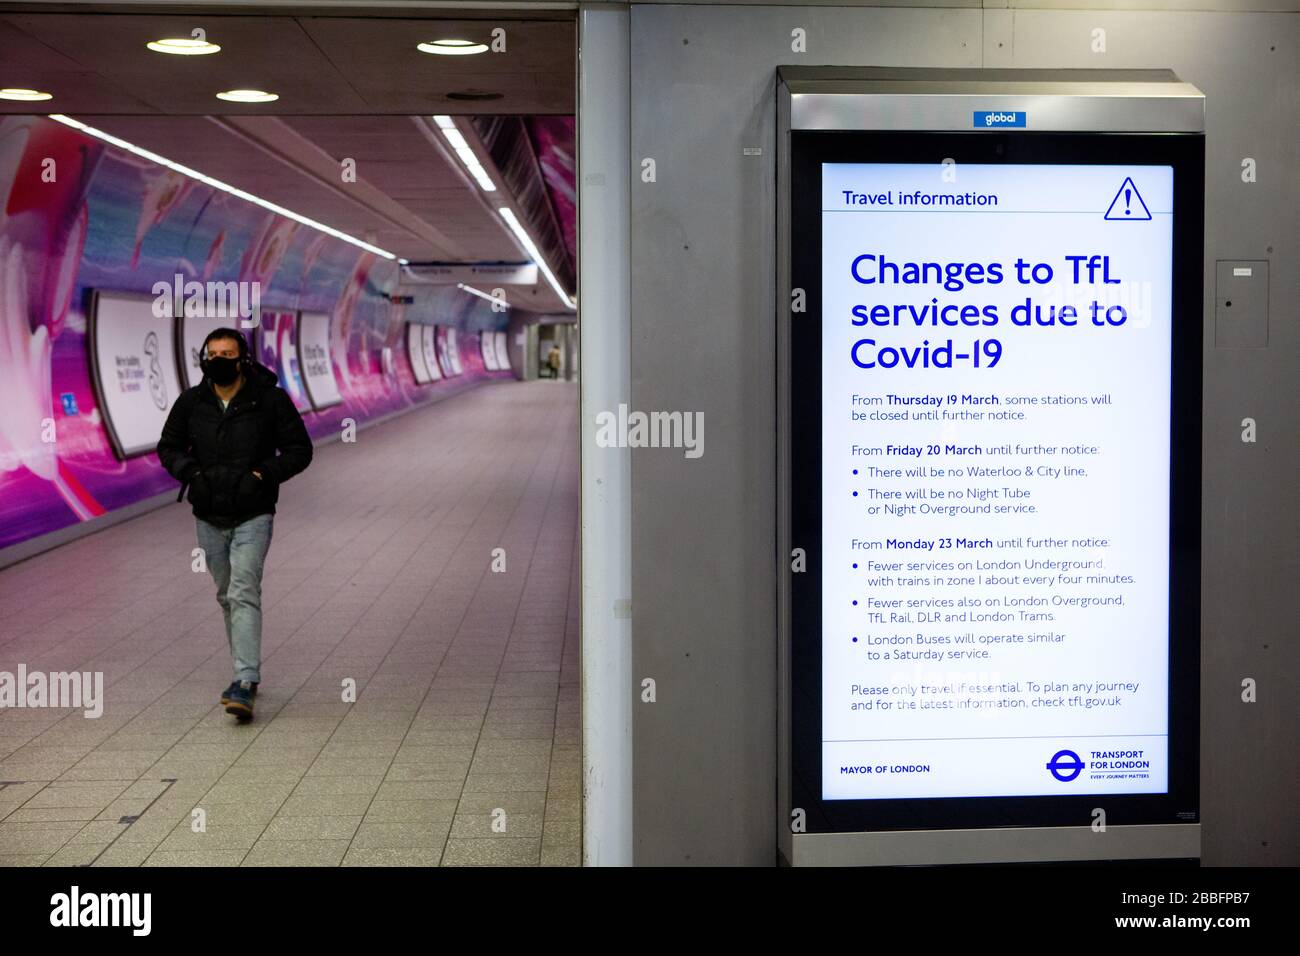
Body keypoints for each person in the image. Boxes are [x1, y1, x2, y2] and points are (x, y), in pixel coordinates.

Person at [157, 327, 313, 721]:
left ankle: (244, 680)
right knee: (227, 594)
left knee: (244, 590)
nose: (220, 360)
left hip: (253, 512)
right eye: (213, 354)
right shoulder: (191, 402)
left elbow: (299, 450)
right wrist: (191, 473)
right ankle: (244, 671)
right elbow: (168, 446)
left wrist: (263, 474)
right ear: (203, 358)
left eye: (228, 354)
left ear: (243, 359)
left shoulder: (269, 400)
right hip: (208, 514)